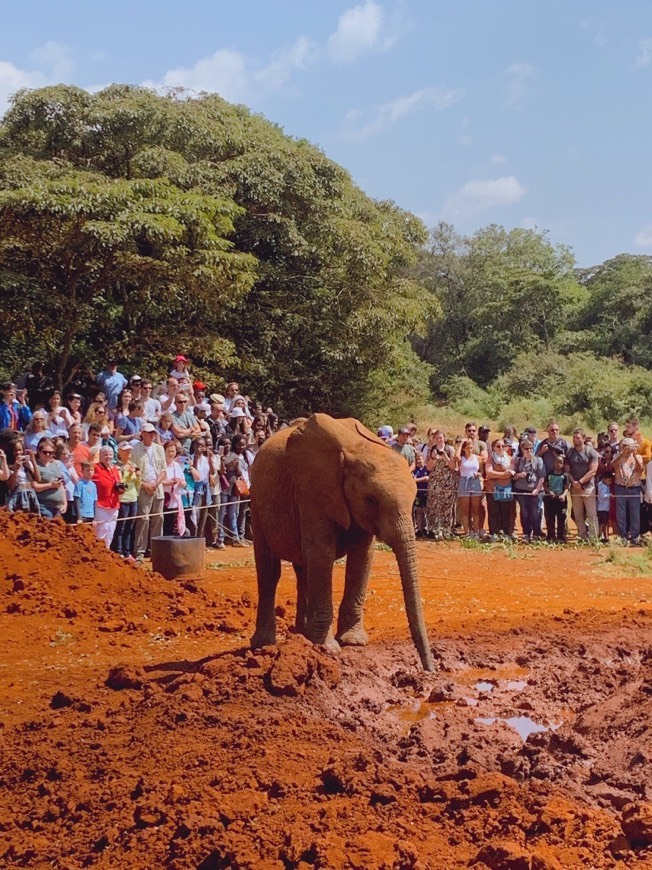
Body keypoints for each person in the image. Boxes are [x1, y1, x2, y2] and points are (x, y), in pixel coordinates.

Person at [132, 424, 167, 563]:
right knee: (144, 519)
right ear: (143, 434)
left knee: (158, 518)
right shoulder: (136, 449)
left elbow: (163, 470)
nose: (152, 435)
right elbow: (132, 470)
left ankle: (156, 551)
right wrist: (145, 485)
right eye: (149, 433)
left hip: (157, 487)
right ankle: (140, 552)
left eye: (153, 433)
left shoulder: (159, 449)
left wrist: (155, 484)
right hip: (143, 487)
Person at [565, 428, 599, 542]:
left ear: (584, 439)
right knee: (578, 514)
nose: (575, 440)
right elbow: (567, 470)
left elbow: (593, 471)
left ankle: (593, 538)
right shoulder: (570, 452)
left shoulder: (591, 452)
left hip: (588, 488)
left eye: (578, 438)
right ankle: (582, 535)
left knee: (591, 514)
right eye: (574, 437)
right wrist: (573, 482)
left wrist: (580, 482)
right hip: (574, 488)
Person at [425, 430, 457, 539]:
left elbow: (453, 467)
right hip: (435, 482)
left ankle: (447, 530)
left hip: (448, 482)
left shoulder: (450, 449)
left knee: (447, 506)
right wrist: (433, 458)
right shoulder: (431, 450)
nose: (439, 439)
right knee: (434, 506)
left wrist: (446, 457)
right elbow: (428, 467)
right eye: (437, 438)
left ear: (444, 438)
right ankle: (434, 530)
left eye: (441, 437)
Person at [612, 437, 644, 544]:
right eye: (624, 445)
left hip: (634, 488)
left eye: (628, 446)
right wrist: (622, 453)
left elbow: (641, 469)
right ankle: (622, 536)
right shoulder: (617, 456)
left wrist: (634, 454)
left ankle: (635, 536)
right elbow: (612, 465)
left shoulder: (637, 456)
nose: (626, 448)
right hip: (620, 488)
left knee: (635, 513)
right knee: (621, 513)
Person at [512, 440, 545, 542]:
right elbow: (513, 476)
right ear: (522, 449)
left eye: (531, 448)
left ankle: (536, 533)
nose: (529, 450)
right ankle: (526, 533)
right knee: (525, 513)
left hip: (535, 491)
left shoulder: (538, 460)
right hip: (521, 491)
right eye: (526, 448)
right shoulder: (518, 460)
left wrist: (537, 489)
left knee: (536, 513)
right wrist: (518, 475)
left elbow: (542, 476)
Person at [484, 438, 516, 539]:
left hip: (506, 489)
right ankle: (493, 533)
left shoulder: (510, 459)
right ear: (493, 447)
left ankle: (506, 533)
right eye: (498, 446)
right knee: (493, 511)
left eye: (503, 446)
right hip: (492, 488)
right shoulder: (490, 458)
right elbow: (489, 472)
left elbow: (512, 473)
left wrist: (497, 475)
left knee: (506, 512)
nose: (501, 448)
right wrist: (503, 474)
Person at [113, 442, 140, 560]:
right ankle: (119, 551)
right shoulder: (117, 466)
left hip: (133, 498)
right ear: (119, 452)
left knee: (130, 527)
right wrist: (130, 473)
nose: (128, 452)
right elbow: (120, 483)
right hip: (123, 499)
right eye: (125, 450)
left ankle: (127, 551)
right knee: (121, 526)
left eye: (129, 450)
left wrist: (138, 477)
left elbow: (137, 484)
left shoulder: (133, 465)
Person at [224, 434, 252, 546]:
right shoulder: (231, 456)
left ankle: (241, 535)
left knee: (242, 513)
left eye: (243, 445)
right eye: (239, 444)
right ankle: (235, 537)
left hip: (246, 487)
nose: (241, 447)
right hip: (235, 488)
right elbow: (237, 472)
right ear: (234, 445)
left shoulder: (245, 456)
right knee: (234, 512)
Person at [93, 446, 123, 548]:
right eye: (105, 454)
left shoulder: (114, 469)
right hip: (101, 505)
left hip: (114, 505)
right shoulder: (95, 468)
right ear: (100, 456)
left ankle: (106, 552)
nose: (108, 457)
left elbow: (118, 483)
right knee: (102, 531)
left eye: (110, 454)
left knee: (110, 533)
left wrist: (121, 489)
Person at [455, 438, 483, 537]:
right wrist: (462, 443)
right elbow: (456, 457)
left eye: (471, 448)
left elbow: (482, 471)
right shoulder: (461, 458)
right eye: (468, 448)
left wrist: (479, 474)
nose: (470, 450)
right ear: (464, 449)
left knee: (475, 509)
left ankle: (475, 531)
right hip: (464, 482)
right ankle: (467, 532)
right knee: (465, 509)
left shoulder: (477, 458)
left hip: (474, 482)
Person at [32, 438, 67, 518]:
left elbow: (61, 485)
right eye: (45, 452)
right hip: (44, 506)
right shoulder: (36, 466)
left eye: (50, 453)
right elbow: (35, 487)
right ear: (39, 451)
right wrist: (51, 485)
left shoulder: (54, 466)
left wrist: (64, 503)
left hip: (57, 507)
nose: (48, 454)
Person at [5, 439, 40, 513]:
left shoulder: (27, 464)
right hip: (18, 495)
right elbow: (11, 486)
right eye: (15, 450)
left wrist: (33, 460)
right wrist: (16, 470)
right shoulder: (8, 466)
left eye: (20, 450)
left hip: (30, 493)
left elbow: (38, 479)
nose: (18, 453)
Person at [543, 448, 569, 543]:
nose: (559, 464)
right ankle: (550, 536)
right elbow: (545, 485)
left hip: (561, 500)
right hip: (550, 499)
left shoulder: (565, 475)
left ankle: (561, 536)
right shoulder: (549, 474)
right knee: (550, 518)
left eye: (561, 462)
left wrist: (563, 495)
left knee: (561, 518)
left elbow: (567, 487)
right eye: (557, 462)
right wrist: (549, 491)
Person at [162, 440, 187, 536]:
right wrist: (167, 483)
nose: (171, 454)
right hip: (165, 499)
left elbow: (184, 483)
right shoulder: (162, 465)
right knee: (165, 525)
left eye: (173, 451)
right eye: (169, 451)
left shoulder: (177, 465)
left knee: (174, 525)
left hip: (176, 500)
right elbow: (158, 481)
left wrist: (180, 482)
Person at [55, 441, 79, 523]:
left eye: (67, 454)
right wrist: (65, 468)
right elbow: (61, 478)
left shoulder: (71, 466)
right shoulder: (57, 464)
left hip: (72, 497)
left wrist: (70, 469)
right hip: (63, 498)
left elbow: (76, 480)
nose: (66, 456)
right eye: (63, 454)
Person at [412, 452, 429, 537]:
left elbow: (429, 478)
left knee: (425, 511)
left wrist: (421, 479)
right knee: (418, 511)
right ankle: (419, 528)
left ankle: (425, 528)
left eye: (420, 459)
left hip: (426, 493)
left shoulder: (427, 468)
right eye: (417, 459)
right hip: (418, 493)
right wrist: (423, 479)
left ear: (423, 459)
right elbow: (414, 480)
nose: (418, 461)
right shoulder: (415, 469)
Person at [597, 471, 614, 544]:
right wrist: (609, 495)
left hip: (605, 508)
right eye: (609, 480)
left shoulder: (602, 485)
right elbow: (602, 496)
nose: (610, 482)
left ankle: (604, 536)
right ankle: (599, 536)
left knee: (605, 523)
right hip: (602, 508)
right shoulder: (603, 486)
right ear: (604, 479)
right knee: (602, 523)